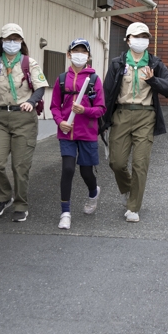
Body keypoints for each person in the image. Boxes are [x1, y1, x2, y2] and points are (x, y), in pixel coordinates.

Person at [101, 22, 168, 223]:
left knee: (140, 163)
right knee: (116, 162)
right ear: (128, 40)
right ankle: (128, 188)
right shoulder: (118, 64)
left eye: (144, 36)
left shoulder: (155, 64)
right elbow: (107, 93)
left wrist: (153, 80)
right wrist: (103, 120)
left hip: (145, 115)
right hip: (122, 115)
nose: (140, 40)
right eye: (136, 36)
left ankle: (133, 207)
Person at [0, 23, 49, 222]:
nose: (12, 43)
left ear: (21, 42)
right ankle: (3, 198)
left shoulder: (29, 63)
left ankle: (21, 204)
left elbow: (41, 87)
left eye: (15, 39)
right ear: (1, 41)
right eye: (8, 39)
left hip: (24, 119)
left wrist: (31, 102)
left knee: (20, 166)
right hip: (1, 118)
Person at [50, 38, 106, 230]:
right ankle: (65, 212)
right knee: (67, 169)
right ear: (69, 54)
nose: (79, 55)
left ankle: (93, 193)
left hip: (87, 132)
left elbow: (100, 109)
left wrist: (84, 111)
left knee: (86, 171)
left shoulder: (94, 80)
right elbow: (55, 106)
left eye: (83, 52)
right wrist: (61, 122)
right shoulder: (61, 79)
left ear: (89, 56)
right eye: (76, 51)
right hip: (67, 132)